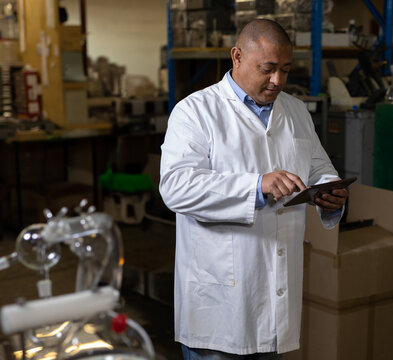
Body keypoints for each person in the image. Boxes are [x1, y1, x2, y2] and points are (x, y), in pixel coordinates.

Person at [159, 19, 348, 359]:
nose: (278, 81)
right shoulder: (195, 112)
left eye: (286, 70)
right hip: (218, 308)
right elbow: (176, 186)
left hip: (275, 300)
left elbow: (319, 167)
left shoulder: (295, 112)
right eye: (268, 69)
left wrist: (328, 196)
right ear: (237, 57)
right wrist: (256, 186)